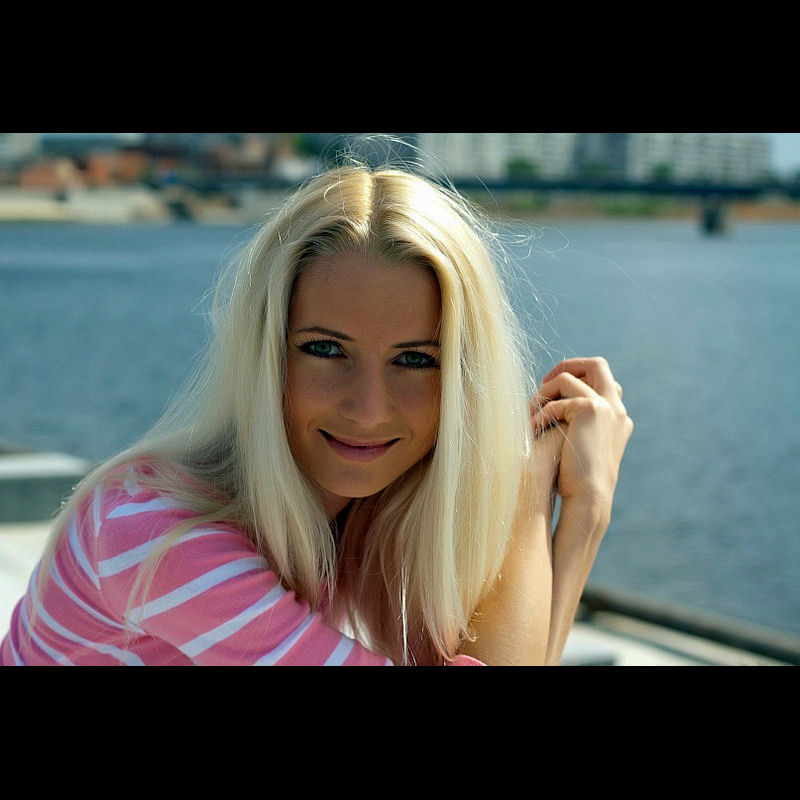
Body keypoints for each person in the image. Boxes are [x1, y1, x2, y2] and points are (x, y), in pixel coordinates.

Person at [1, 162, 632, 666]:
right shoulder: (157, 539)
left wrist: (586, 513)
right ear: (266, 354)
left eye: (415, 360)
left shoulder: (352, 516)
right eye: (325, 349)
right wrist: (529, 489)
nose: (369, 408)